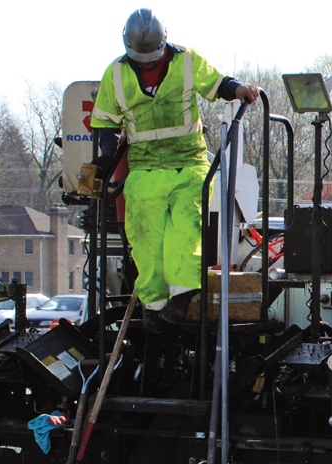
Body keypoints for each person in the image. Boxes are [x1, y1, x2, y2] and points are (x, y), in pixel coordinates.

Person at [90, 8, 259, 332]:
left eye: (151, 60)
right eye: (141, 61)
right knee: (145, 238)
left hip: (188, 165)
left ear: (163, 46)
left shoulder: (185, 61)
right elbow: (104, 121)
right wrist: (106, 157)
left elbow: (217, 83)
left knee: (183, 235)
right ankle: (153, 308)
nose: (147, 65)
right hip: (145, 169)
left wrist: (238, 89)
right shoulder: (115, 74)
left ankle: (181, 299)